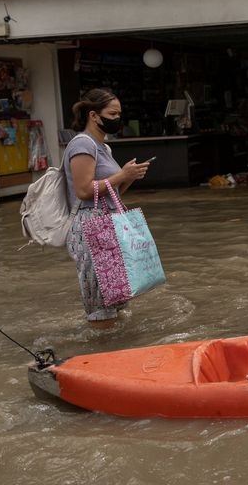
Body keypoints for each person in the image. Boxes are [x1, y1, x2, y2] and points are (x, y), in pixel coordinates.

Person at [62, 88, 149, 329]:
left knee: (117, 296)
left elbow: (111, 195)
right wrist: (121, 174)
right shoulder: (82, 144)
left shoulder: (105, 148)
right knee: (101, 302)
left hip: (109, 223)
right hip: (91, 227)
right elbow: (83, 191)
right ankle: (101, 351)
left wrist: (128, 177)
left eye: (119, 114)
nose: (117, 119)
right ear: (93, 115)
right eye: (113, 113)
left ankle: (118, 347)